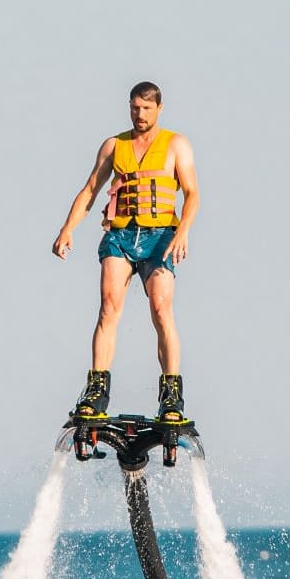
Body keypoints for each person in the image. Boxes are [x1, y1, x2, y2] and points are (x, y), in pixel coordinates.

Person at [51, 81, 200, 424]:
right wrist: (67, 229)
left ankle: (171, 395)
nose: (140, 114)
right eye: (135, 107)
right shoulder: (114, 145)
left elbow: (192, 194)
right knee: (108, 307)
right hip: (121, 234)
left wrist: (182, 233)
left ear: (159, 109)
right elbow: (90, 189)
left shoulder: (176, 145)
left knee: (161, 309)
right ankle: (96, 391)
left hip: (160, 235)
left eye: (146, 108)